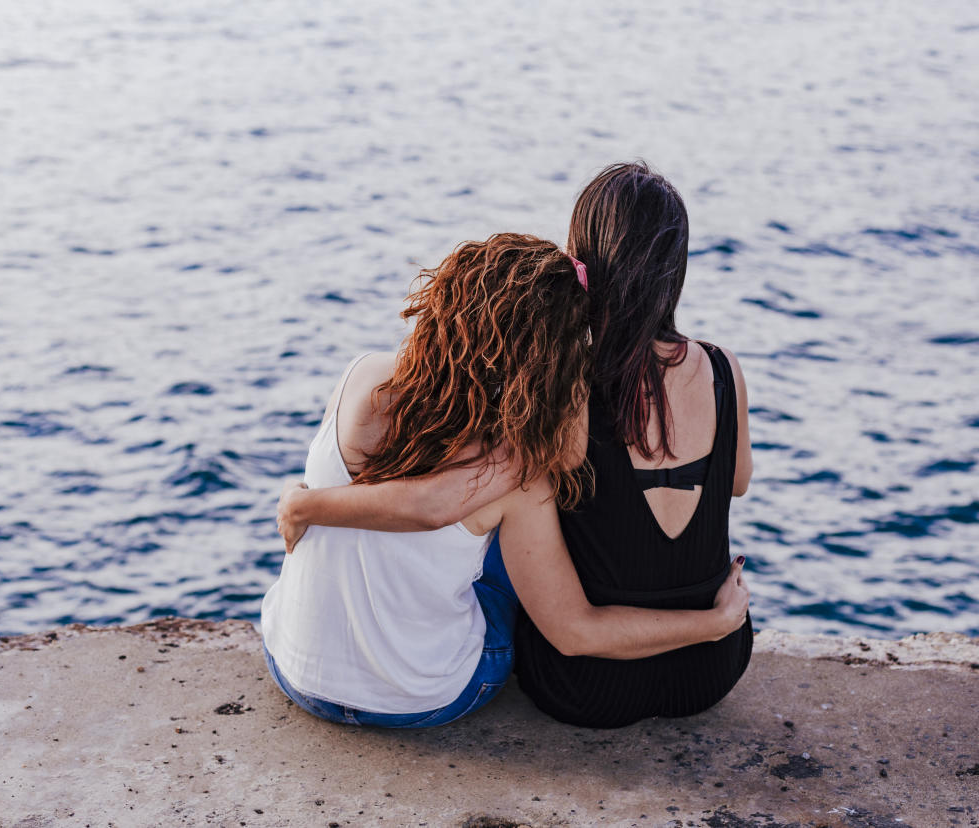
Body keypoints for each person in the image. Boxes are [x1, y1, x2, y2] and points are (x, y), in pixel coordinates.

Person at [277, 162, 754, 728]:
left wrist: (303, 504)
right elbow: (736, 480)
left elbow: (442, 501)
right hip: (703, 668)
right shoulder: (720, 369)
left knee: (498, 521)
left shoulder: (375, 376)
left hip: (580, 683)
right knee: (513, 519)